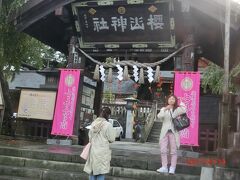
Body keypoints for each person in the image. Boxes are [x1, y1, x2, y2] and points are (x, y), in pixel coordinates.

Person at [156, 95, 186, 175]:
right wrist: (166, 109)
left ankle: (172, 168)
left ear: (175, 101)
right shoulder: (163, 109)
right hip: (164, 132)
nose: (171, 100)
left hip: (173, 132)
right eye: (170, 99)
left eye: (173, 99)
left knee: (173, 151)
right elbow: (159, 116)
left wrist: (180, 101)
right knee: (163, 150)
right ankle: (164, 167)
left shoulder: (177, 109)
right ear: (167, 100)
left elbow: (184, 109)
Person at [84, 107, 115, 180]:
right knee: (100, 172)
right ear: (108, 115)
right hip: (102, 151)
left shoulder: (93, 123)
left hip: (93, 150)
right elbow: (112, 139)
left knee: (92, 171)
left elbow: (90, 137)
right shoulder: (108, 125)